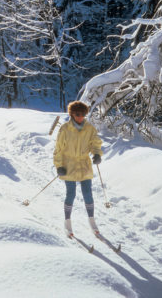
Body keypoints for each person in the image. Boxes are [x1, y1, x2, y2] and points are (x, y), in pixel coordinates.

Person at [53, 100, 103, 237]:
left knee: (88, 193)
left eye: (82, 114)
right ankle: (67, 222)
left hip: (84, 164)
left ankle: (92, 221)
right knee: (71, 194)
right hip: (68, 165)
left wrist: (97, 154)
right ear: (72, 114)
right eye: (77, 114)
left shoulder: (90, 128)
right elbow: (58, 149)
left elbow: (95, 143)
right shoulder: (65, 129)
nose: (80, 117)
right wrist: (59, 166)